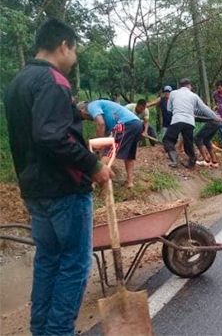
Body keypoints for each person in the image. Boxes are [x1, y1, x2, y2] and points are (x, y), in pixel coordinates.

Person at [4, 18, 112, 335]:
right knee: (75, 265)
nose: (74, 58)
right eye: (74, 50)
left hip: (35, 190)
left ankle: (42, 331)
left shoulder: (18, 82)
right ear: (64, 45)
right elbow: (52, 136)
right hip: (64, 190)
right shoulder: (53, 80)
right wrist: (93, 166)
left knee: (49, 261)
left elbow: (39, 130)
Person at [78, 99, 143, 188]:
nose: (87, 119)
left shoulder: (91, 106)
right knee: (129, 155)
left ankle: (92, 182)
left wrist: (99, 144)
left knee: (110, 151)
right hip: (137, 123)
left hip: (125, 124)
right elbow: (106, 131)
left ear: (82, 110)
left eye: (83, 117)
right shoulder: (104, 109)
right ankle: (130, 182)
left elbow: (101, 124)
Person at [164, 78, 219, 168]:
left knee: (168, 140)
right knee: (188, 143)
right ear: (189, 85)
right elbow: (204, 108)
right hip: (189, 122)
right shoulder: (194, 95)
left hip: (177, 120)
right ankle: (192, 162)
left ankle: (174, 161)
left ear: (179, 86)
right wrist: (215, 117)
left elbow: (168, 109)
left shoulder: (173, 93)